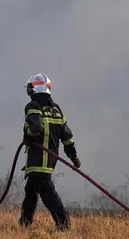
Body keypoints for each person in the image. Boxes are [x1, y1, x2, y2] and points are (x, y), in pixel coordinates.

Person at [19, 73, 81, 231]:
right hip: (50, 159)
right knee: (31, 190)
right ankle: (25, 223)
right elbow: (66, 136)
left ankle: (64, 224)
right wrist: (73, 156)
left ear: (32, 89)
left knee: (47, 191)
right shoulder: (56, 109)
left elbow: (35, 127)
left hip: (38, 159)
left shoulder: (33, 107)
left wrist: (28, 135)